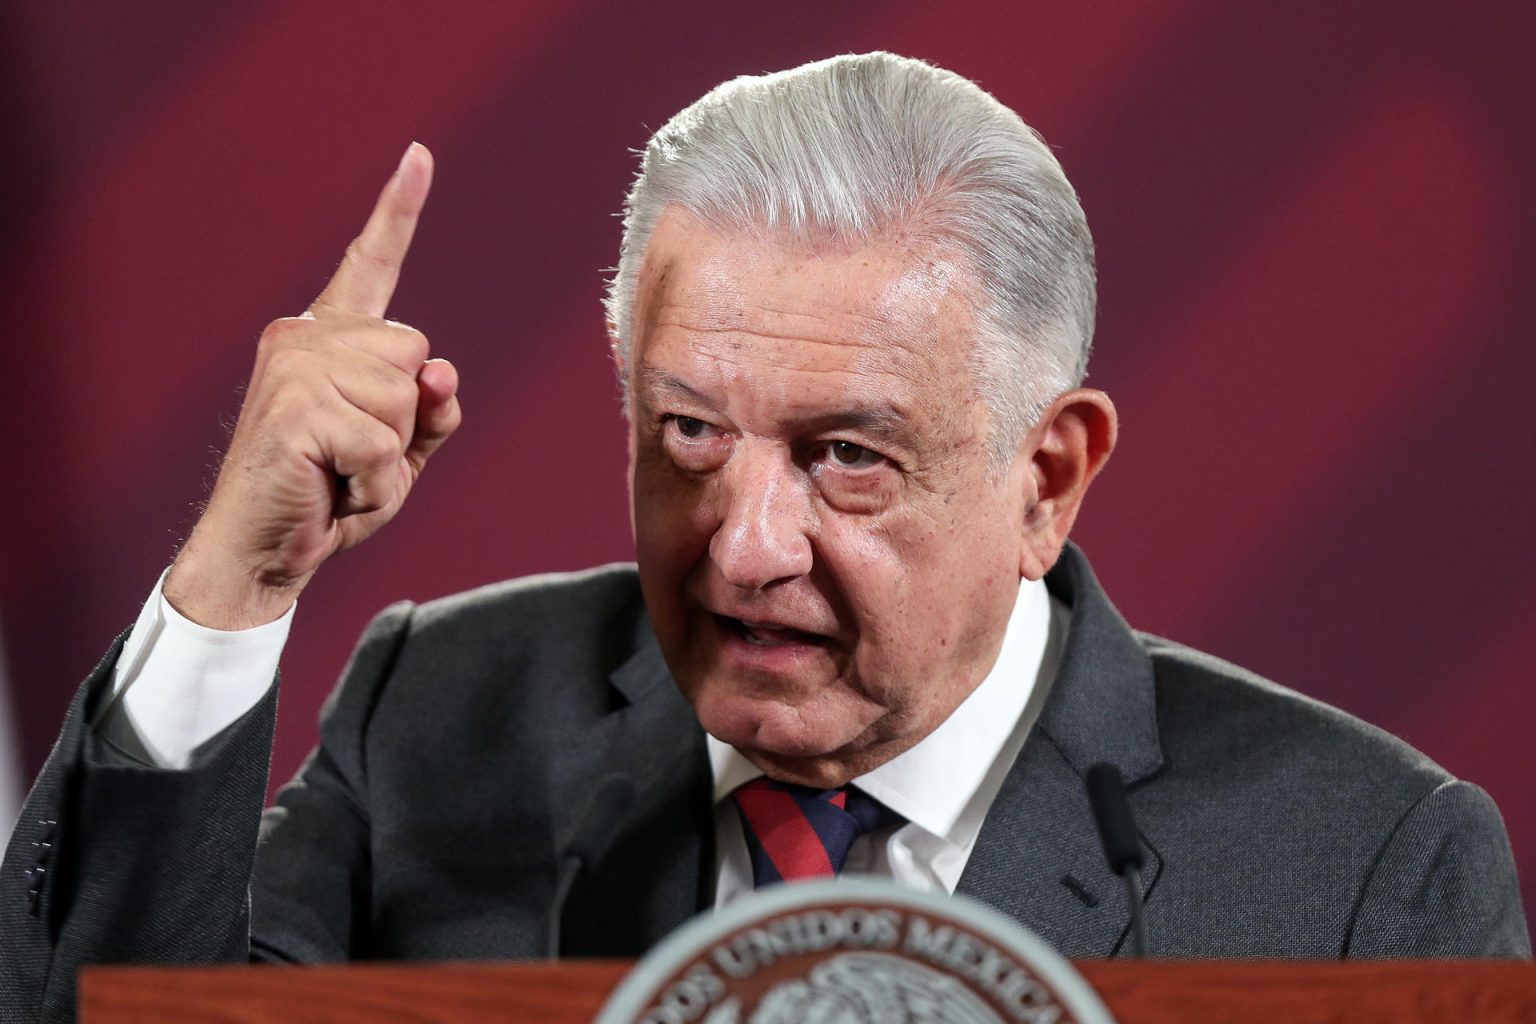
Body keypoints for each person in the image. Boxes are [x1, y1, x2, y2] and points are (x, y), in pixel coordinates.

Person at [2, 51, 1527, 1024]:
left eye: (845, 458)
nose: (744, 547)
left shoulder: (1360, 879)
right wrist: (236, 589)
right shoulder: (443, 715)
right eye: (687, 436)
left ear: (1048, 477)